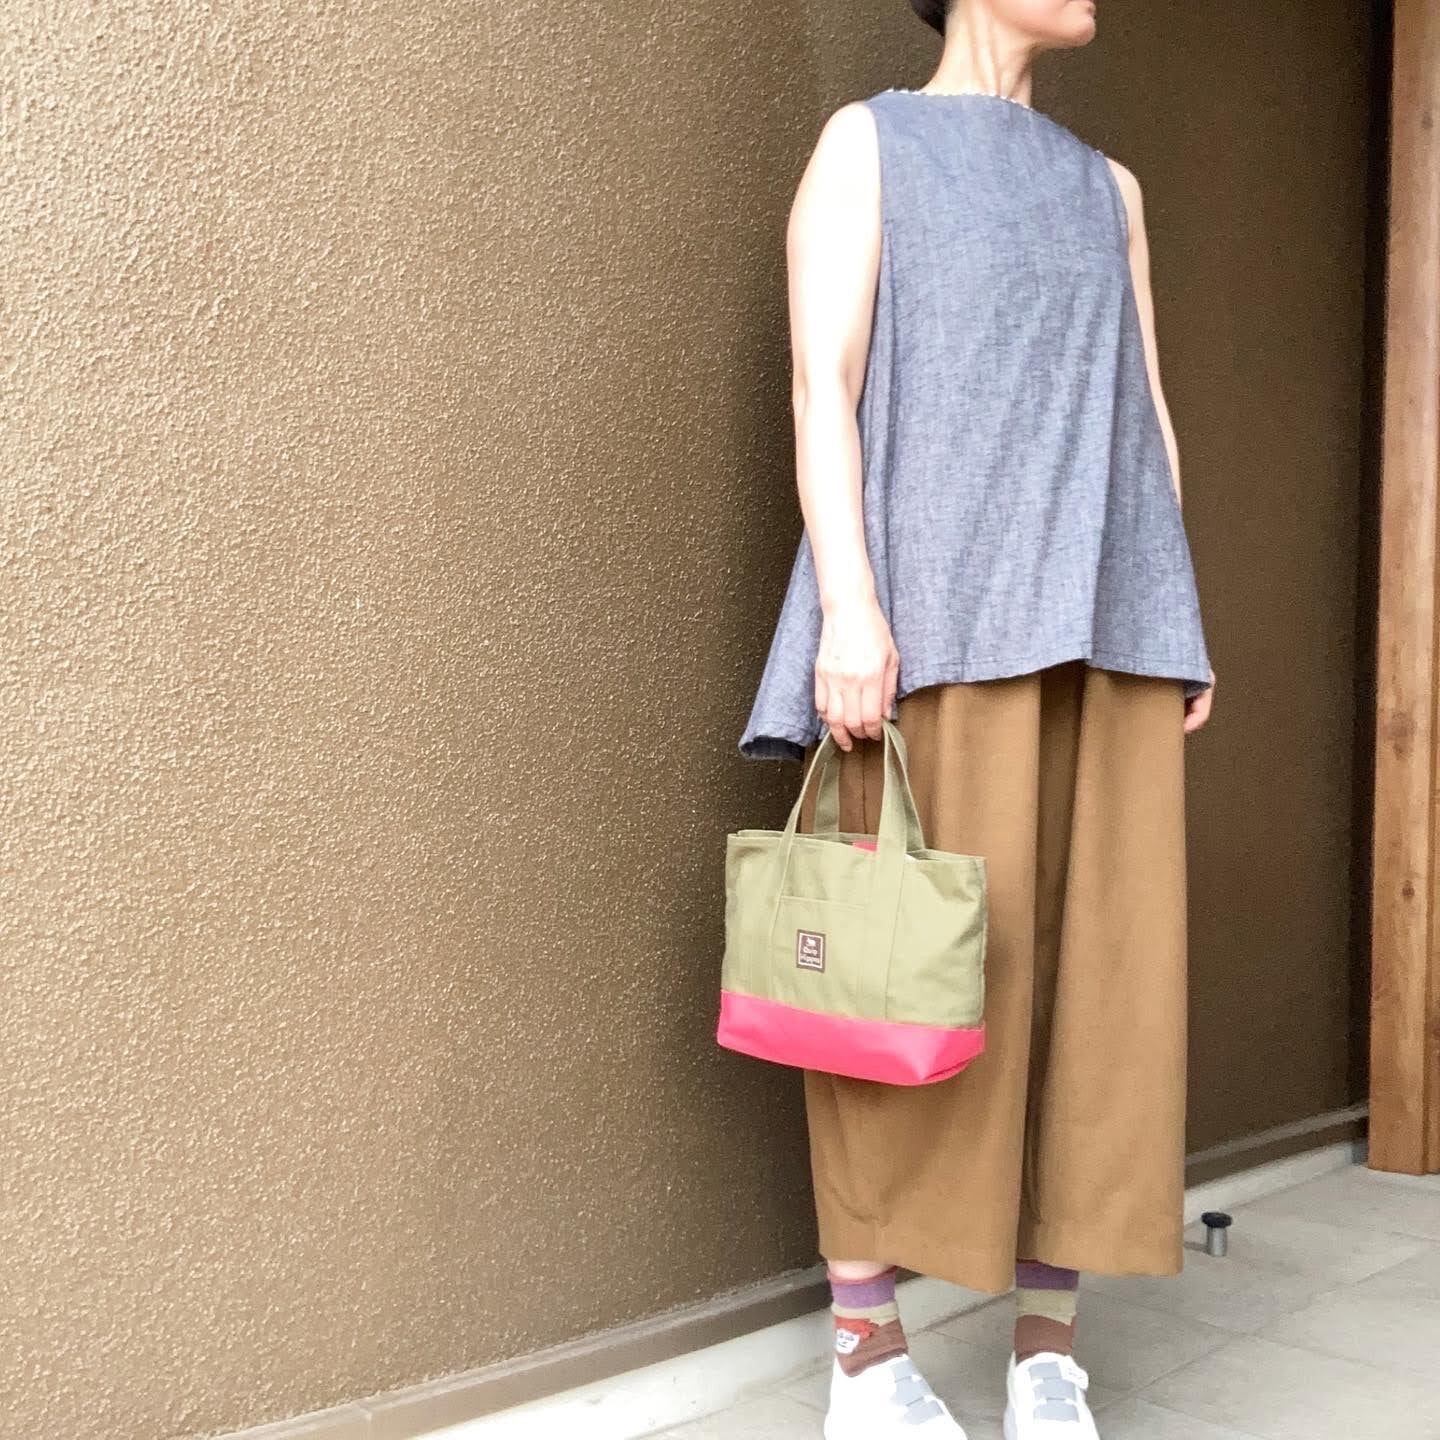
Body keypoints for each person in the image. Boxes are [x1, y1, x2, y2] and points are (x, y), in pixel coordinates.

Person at [736, 1, 1217, 1437]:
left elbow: (1145, 411)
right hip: (936, 627)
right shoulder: (868, 145)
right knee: (895, 973)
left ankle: (1046, 1354)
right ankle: (868, 1362)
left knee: (1096, 990)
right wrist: (851, 607)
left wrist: (1176, 609)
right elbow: (822, 383)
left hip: (1107, 629)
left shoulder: (1110, 189)